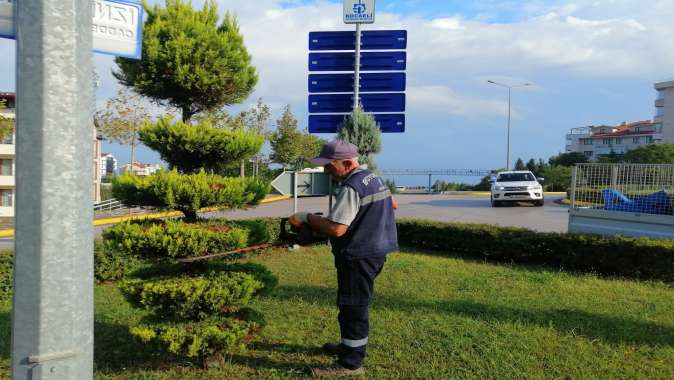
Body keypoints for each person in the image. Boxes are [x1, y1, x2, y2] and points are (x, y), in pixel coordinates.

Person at [289, 139, 398, 377]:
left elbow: (337, 229)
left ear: (347, 163)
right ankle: (348, 346)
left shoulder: (352, 186)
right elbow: (393, 204)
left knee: (353, 307)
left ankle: (351, 364)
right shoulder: (373, 178)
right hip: (376, 251)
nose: (326, 170)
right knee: (350, 303)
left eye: (329, 166)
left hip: (358, 256)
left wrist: (305, 216)